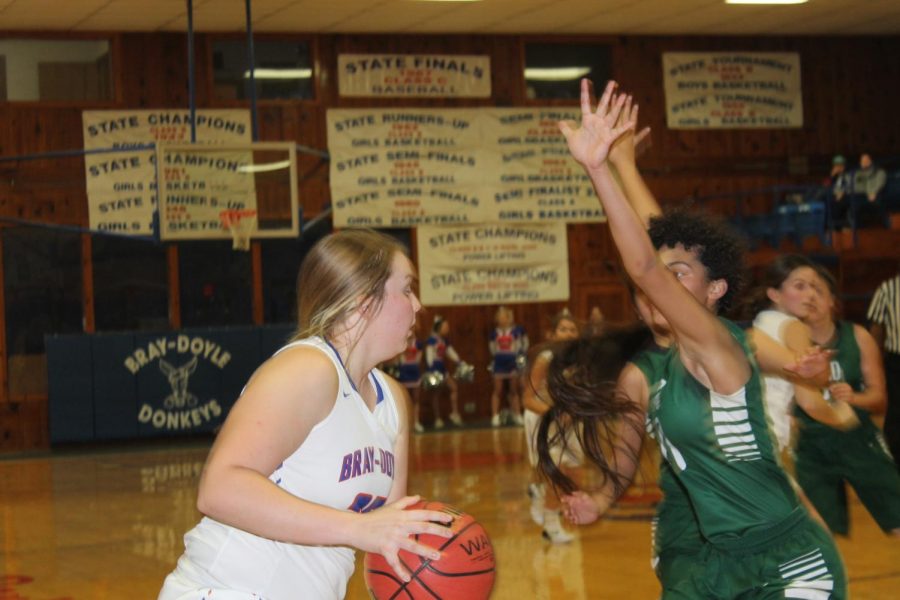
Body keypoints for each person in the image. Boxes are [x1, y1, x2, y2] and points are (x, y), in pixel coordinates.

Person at [543, 78, 846, 597]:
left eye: (681, 276)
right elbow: (658, 250)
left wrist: (601, 169)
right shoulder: (650, 370)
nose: (661, 286)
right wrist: (599, 498)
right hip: (718, 562)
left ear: (716, 290)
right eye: (662, 278)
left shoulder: (721, 345)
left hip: (788, 563)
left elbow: (646, 262)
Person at [158, 229, 453, 600]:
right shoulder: (309, 368)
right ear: (364, 302)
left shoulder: (393, 400)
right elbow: (219, 488)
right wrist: (357, 529)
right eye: (407, 289)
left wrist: (442, 561)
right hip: (229, 589)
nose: (418, 305)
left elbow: (388, 535)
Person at [793, 264, 900, 537]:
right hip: (811, 446)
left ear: (833, 302)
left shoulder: (858, 337)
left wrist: (856, 398)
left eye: (819, 290)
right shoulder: (785, 342)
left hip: (858, 439)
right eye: (804, 289)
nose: (811, 297)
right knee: (819, 535)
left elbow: (879, 400)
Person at [749, 254, 859, 453]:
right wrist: (841, 417)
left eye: (814, 287)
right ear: (774, 294)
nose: (810, 294)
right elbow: (808, 401)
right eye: (800, 286)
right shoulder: (793, 327)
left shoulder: (761, 321)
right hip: (772, 435)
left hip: (750, 429)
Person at [522, 309, 580, 543]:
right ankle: (552, 526)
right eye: (563, 329)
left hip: (568, 421)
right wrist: (554, 414)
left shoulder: (580, 360)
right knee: (556, 473)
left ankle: (538, 491)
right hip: (542, 418)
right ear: (553, 334)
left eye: (572, 329)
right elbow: (527, 398)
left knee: (571, 475)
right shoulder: (545, 359)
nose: (568, 333)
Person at [867, 267, 900, 469]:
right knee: (897, 412)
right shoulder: (888, 289)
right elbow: (876, 328)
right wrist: (874, 359)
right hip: (897, 359)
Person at [489, 306, 529, 427]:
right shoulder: (494, 333)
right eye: (500, 317)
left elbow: (522, 345)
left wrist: (519, 356)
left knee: (513, 390)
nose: (502, 320)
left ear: (509, 318)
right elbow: (492, 349)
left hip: (512, 361)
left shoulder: (516, 331)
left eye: (504, 317)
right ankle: (495, 415)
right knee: (497, 390)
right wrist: (498, 357)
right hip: (499, 362)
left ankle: (517, 414)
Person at [424, 315, 464, 429]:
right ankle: (437, 418)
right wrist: (431, 368)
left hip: (442, 367)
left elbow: (450, 352)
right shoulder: (432, 340)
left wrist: (459, 361)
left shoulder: (444, 341)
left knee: (453, 387)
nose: (447, 329)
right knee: (436, 394)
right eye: (445, 327)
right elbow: (429, 354)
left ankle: (454, 413)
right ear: (439, 327)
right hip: (434, 368)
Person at [395, 333, 425, 433]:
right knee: (404, 399)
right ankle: (406, 423)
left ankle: (416, 422)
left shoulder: (418, 343)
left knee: (416, 399)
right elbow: (399, 357)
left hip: (414, 372)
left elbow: (419, 359)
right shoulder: (401, 341)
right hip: (404, 373)